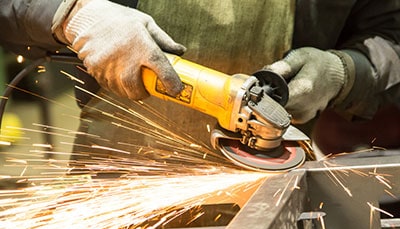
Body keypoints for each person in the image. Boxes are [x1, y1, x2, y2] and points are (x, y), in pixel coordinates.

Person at [1, 0, 400, 169]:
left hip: (271, 180)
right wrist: (71, 12)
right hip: (116, 168)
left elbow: (390, 34)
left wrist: (345, 71)